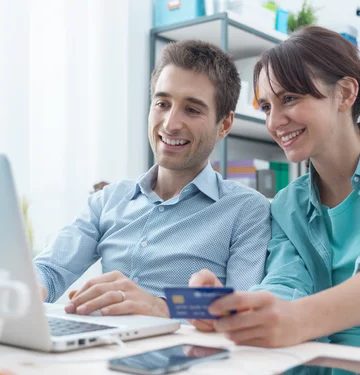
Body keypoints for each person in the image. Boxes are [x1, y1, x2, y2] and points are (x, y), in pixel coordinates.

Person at [189, 26, 360, 375]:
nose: (275, 121)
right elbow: (285, 284)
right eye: (266, 107)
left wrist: (297, 320)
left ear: (345, 93)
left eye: (290, 98)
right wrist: (239, 313)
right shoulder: (287, 205)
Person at [34, 40, 271, 318]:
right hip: (101, 351)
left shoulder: (247, 210)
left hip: (190, 359)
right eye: (162, 103)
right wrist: (24, 293)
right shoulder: (108, 201)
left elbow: (242, 309)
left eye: (192, 109)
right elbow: (48, 270)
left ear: (225, 125)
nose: (170, 123)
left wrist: (162, 307)